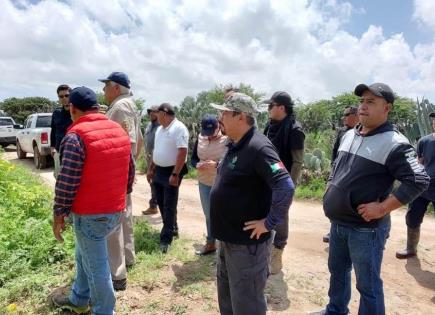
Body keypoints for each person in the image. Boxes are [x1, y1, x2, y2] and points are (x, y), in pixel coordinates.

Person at [312, 83, 429, 315]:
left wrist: (383, 207)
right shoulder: (349, 134)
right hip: (338, 224)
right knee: (338, 272)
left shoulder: (395, 143)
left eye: (371, 102)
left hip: (366, 230)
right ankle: (335, 310)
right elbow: (337, 169)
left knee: (368, 285)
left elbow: (419, 180)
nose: (363, 106)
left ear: (387, 108)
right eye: (362, 101)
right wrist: (329, 189)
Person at [51, 86, 134, 315]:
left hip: (90, 214)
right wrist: (118, 198)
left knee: (97, 268)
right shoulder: (118, 130)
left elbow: (67, 182)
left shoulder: (76, 136)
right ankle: (79, 298)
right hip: (114, 211)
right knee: (84, 253)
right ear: (96, 108)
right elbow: (130, 172)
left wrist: (59, 215)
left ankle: (104, 311)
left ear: (72, 108)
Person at [210, 93, 294, 315]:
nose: (220, 117)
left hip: (248, 245)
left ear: (241, 117)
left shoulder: (259, 147)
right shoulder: (235, 143)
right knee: (228, 297)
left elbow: (285, 185)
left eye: (225, 113)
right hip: (228, 238)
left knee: (247, 303)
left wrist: (269, 222)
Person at [99, 71, 143, 291]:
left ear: (116, 87)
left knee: (115, 220)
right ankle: (128, 256)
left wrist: (122, 172)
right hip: (124, 171)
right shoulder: (129, 105)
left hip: (117, 173)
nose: (103, 90)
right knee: (124, 215)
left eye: (106, 86)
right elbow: (139, 142)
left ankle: (118, 272)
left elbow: (126, 142)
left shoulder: (119, 107)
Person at [263, 91, 305, 274]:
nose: (268, 109)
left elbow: (297, 161)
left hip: (281, 181)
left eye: (270, 106)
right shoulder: (270, 125)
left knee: (279, 217)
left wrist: (289, 186)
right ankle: (263, 253)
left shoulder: (294, 129)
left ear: (281, 108)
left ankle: (277, 255)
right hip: (265, 179)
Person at [146, 103, 189, 253]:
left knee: (169, 204)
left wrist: (175, 174)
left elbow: (182, 151)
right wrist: (151, 168)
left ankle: (166, 239)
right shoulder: (160, 129)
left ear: (164, 113)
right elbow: (155, 150)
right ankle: (172, 228)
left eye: (156, 113)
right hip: (159, 170)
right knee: (161, 201)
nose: (155, 116)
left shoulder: (179, 128)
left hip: (173, 170)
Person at [396, 112, 435, 259]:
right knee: (412, 217)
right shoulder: (424, 141)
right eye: (434, 120)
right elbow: (419, 162)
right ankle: (411, 248)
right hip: (423, 187)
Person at [191, 114, 228, 255]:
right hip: (204, 182)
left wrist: (217, 165)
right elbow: (193, 158)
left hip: (221, 183)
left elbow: (232, 161)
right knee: (208, 214)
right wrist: (197, 165)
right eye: (206, 133)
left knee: (223, 214)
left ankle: (225, 245)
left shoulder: (227, 139)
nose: (209, 136)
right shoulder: (200, 138)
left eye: (212, 133)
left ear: (218, 126)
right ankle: (211, 243)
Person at [323, 106, 359, 243]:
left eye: (346, 114)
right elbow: (335, 151)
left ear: (356, 115)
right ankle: (334, 230)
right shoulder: (343, 132)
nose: (343, 117)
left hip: (355, 174)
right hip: (338, 171)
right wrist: (334, 169)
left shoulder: (364, 131)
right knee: (335, 200)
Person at [50, 84, 72, 179]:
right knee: (58, 177)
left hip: (72, 153)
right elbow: (53, 131)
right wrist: (52, 147)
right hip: (58, 152)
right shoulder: (56, 113)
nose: (64, 98)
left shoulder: (76, 112)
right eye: (61, 96)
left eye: (67, 95)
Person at [142, 105, 160, 215]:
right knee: (152, 183)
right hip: (149, 159)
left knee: (156, 183)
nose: (152, 114)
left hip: (157, 160)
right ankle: (154, 205)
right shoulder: (149, 126)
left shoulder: (161, 127)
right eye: (150, 112)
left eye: (155, 112)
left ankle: (154, 205)